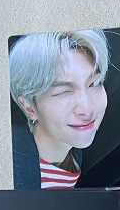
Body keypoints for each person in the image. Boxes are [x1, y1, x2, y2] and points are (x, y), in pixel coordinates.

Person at [9, 30, 109, 189]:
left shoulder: (74, 151)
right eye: (63, 92)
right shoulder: (13, 173)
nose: (87, 109)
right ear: (29, 107)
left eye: (94, 83)